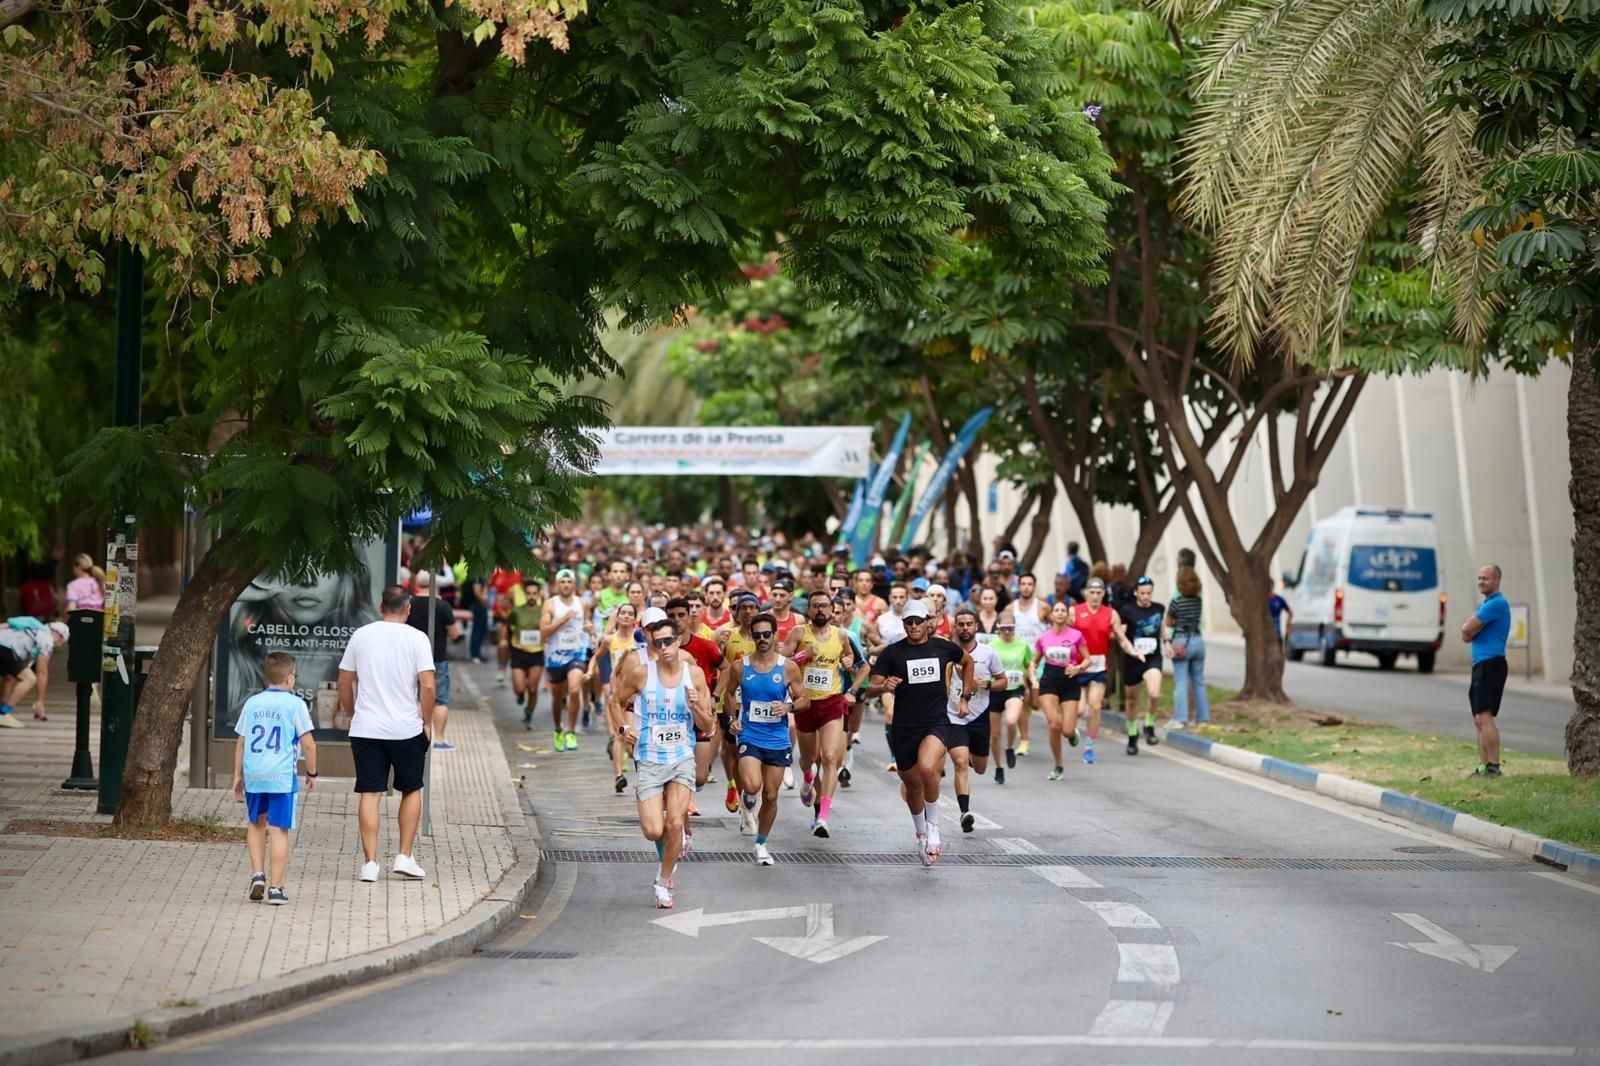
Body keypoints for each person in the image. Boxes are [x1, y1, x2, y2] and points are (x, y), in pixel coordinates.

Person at [613, 615, 715, 909]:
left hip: (682, 756)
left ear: (680, 639)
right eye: (657, 643)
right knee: (653, 830)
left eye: (668, 641)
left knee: (674, 825)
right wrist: (623, 729)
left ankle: (663, 880)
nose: (664, 647)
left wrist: (696, 706)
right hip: (649, 757)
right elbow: (615, 702)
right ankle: (667, 849)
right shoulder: (641, 673)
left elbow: (708, 726)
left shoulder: (693, 675)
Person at [338, 584, 435, 883]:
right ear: (408, 609)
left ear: (380, 607)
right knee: (411, 789)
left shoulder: (361, 635)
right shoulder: (418, 638)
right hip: (406, 728)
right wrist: (427, 721)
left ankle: (370, 863)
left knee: (370, 792)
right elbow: (428, 685)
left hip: (367, 728)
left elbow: (344, 681)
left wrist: (352, 713)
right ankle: (404, 856)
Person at [868, 598, 973, 865]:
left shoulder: (943, 648)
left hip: (935, 722)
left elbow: (968, 662)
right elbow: (869, 687)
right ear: (903, 624)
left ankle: (934, 827)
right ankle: (920, 834)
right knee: (912, 787)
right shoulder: (893, 653)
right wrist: (884, 687)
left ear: (928, 623)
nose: (914, 626)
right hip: (903, 727)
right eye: (909, 622)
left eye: (918, 621)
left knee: (928, 768)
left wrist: (964, 697)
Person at [232, 652, 318, 905]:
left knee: (256, 824)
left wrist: (238, 775)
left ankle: (257, 874)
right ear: (290, 678)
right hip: (281, 778)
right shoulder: (296, 705)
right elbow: (309, 744)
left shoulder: (252, 703)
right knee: (278, 830)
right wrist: (312, 773)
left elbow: (241, 741)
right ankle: (276, 888)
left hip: (254, 775)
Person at [722, 614, 807, 863]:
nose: (761, 639)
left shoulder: (788, 667)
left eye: (766, 634)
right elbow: (727, 694)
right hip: (750, 734)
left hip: (778, 739)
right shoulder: (741, 666)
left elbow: (805, 700)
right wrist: (732, 719)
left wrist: (789, 708)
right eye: (757, 635)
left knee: (771, 796)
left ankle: (761, 844)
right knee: (751, 785)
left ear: (775, 635)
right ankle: (747, 799)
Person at [782, 592, 861, 838]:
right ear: (809, 610)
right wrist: (802, 656)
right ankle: (807, 779)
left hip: (832, 703)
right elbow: (780, 663)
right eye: (815, 606)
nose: (820, 610)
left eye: (824, 606)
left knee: (829, 758)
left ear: (831, 610)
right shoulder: (798, 633)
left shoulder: (841, 636)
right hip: (805, 704)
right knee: (809, 760)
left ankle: (823, 817)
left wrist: (852, 687)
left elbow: (860, 665)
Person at [946, 609, 1007, 831]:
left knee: (979, 768)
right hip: (954, 716)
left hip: (979, 716)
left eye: (969, 624)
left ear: (976, 626)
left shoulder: (988, 653)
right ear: (955, 627)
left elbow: (1004, 681)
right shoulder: (947, 652)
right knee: (960, 763)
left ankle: (973, 754)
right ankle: (964, 812)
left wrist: (988, 684)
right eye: (960, 624)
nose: (965, 628)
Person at [1461, 564, 1510, 777]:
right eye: (1479, 578)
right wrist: (1471, 629)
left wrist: (1472, 629)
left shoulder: (1497, 604)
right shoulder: (1485, 605)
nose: (1481, 582)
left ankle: (1494, 766)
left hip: (1491, 664)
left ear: (1497, 581)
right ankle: (1483, 767)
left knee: (1485, 717)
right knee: (1478, 719)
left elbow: (1466, 628)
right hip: (1481, 664)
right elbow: (1465, 634)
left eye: (1486, 579)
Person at [1034, 600, 1091, 781]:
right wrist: (1031, 673)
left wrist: (1079, 668)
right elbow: (1034, 662)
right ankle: (1058, 765)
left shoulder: (1076, 635)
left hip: (1069, 680)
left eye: (1063, 610)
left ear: (1067, 615)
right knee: (1053, 724)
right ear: (1051, 615)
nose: (1059, 613)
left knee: (1066, 730)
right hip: (1049, 680)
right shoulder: (1044, 638)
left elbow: (1088, 659)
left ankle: (1072, 733)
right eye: (1056, 610)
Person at [406, 572, 462, 751]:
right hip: (437, 658)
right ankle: (438, 739)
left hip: (411, 659)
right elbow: (455, 633)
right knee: (440, 700)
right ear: (435, 584)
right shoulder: (443, 606)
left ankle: (415, 735)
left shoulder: (409, 605)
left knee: (414, 696)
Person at [541, 568, 592, 752]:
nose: (566, 585)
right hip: (555, 656)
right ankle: (557, 728)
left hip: (577, 653)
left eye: (569, 581)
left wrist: (589, 628)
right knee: (557, 697)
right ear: (557, 585)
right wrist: (563, 620)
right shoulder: (550, 604)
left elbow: (587, 623)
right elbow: (544, 632)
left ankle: (571, 731)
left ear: (574, 585)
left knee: (574, 688)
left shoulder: (583, 603)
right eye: (562, 582)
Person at [1069, 576, 1117, 765]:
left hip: (1098, 667)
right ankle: (1071, 730)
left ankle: (1089, 746)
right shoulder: (1075, 612)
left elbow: (1119, 636)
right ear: (1086, 593)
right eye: (1092, 593)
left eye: (1099, 593)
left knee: (1095, 706)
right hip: (1079, 667)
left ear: (1104, 594)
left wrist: (1130, 647)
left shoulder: (1111, 613)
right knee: (1079, 710)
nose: (1095, 596)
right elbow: (1065, 634)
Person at [1116, 576, 1166, 754]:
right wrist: (1122, 641)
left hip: (1152, 658)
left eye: (1149, 593)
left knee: (1154, 692)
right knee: (1131, 700)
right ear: (1136, 592)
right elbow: (1120, 635)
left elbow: (1161, 628)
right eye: (1142, 593)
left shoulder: (1159, 608)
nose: (1146, 597)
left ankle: (1149, 724)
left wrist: (1167, 642)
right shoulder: (1127, 610)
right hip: (1133, 660)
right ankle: (1132, 733)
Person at [987, 617, 1031, 782]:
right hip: (996, 690)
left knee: (1012, 720)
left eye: (1010, 628)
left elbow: (1028, 665)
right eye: (1004, 628)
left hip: (1014, 689)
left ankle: (1010, 747)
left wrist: (1032, 679)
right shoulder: (991, 647)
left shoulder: (1022, 645)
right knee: (995, 735)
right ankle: (999, 767)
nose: (1007, 631)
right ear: (998, 628)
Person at [0, 619, 67, 727]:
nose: (58, 646)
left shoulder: (34, 627)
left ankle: (1, 709)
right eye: (61, 642)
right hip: (6, 648)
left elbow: (8, 624)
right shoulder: (47, 638)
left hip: (3, 643)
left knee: (10, 676)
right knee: (29, 679)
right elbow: (42, 672)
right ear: (59, 635)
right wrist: (40, 701)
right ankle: (4, 713)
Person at [1166, 566, 1208, 728]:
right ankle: (1203, 718)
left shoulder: (1176, 602)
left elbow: (1169, 622)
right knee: (1199, 681)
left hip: (1181, 643)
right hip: (1198, 641)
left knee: (1182, 681)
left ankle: (1181, 718)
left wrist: (1178, 622)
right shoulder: (1198, 601)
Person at [507, 577, 545, 728]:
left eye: (534, 593)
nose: (531, 596)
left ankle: (529, 713)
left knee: (533, 688)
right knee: (520, 688)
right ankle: (520, 695)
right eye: (529, 593)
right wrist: (510, 647)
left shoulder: (544, 611)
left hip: (537, 652)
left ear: (539, 594)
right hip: (519, 652)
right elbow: (509, 629)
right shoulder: (516, 611)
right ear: (524, 593)